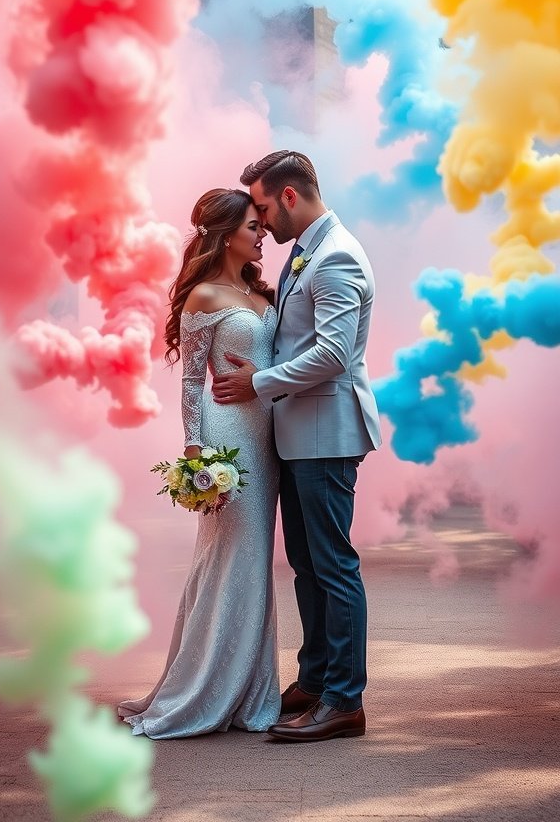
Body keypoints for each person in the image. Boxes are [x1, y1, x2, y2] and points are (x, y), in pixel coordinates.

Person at [212, 151, 381, 743]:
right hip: (298, 434)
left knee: (334, 567)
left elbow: (333, 355)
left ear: (288, 196)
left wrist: (257, 382)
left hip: (325, 436)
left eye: (261, 205)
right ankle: (315, 680)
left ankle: (344, 701)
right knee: (308, 565)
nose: (258, 219)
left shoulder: (334, 257)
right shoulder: (307, 250)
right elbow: (296, 338)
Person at [118, 188, 281, 737]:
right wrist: (196, 457)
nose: (263, 234)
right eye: (254, 226)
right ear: (226, 233)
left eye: (262, 226)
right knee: (231, 555)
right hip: (228, 434)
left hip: (268, 436)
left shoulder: (261, 291)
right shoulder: (205, 296)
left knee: (255, 557)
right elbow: (191, 382)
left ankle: (246, 687)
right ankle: (206, 686)